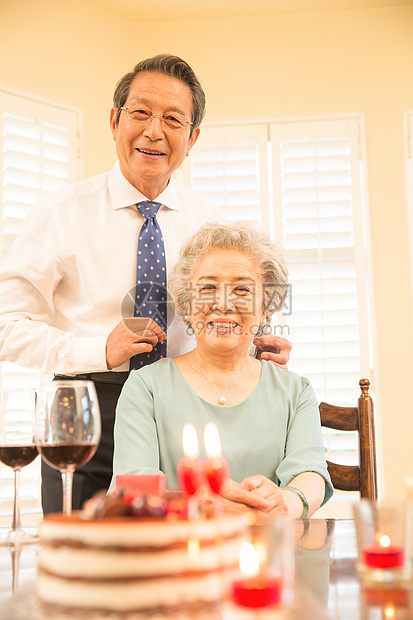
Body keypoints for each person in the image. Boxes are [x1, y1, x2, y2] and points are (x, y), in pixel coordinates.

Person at [0, 55, 291, 514]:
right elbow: (6, 326)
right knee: (88, 565)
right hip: (86, 411)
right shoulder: (59, 214)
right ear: (115, 121)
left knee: (181, 560)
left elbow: (220, 315)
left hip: (185, 409)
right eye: (141, 113)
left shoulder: (212, 224)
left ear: (192, 138)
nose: (155, 131)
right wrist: (100, 351)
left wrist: (253, 350)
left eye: (173, 119)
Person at [112, 222, 333, 518]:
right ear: (188, 306)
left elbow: (310, 473)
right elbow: (134, 486)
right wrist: (199, 505)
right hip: (177, 553)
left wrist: (287, 501)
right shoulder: (145, 387)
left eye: (242, 288)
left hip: (269, 550)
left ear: (266, 307)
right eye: (207, 288)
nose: (223, 303)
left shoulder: (296, 390)